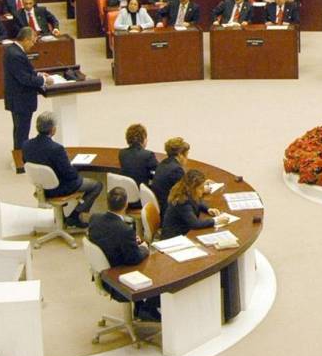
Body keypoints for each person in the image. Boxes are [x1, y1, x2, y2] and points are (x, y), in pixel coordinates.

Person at [88, 187, 160, 321]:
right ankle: (147, 309)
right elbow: (134, 259)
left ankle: (140, 308)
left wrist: (131, 242)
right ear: (126, 204)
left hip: (103, 272)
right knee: (154, 266)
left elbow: (108, 238)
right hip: (118, 279)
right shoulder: (124, 230)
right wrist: (144, 247)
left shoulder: (95, 218)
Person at [22, 112, 103, 228]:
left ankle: (66, 218)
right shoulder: (56, 149)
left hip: (41, 188)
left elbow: (26, 162)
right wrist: (75, 169)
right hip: (60, 188)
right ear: (53, 129)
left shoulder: (26, 145)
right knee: (96, 185)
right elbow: (69, 175)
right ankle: (75, 216)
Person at [4, 28, 47, 152]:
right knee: (21, 132)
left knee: (20, 130)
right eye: (32, 42)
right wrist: (43, 80)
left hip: (18, 98)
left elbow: (25, 71)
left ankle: (20, 156)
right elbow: (24, 78)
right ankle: (20, 162)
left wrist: (38, 74)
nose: (33, 45)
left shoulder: (14, 50)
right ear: (26, 39)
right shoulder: (15, 54)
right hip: (20, 99)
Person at [159, 169, 228, 239]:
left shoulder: (185, 191)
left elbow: (198, 201)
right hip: (174, 238)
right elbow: (195, 224)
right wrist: (216, 220)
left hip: (184, 231)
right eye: (200, 188)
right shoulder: (182, 201)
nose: (203, 190)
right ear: (192, 188)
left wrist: (208, 209)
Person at [151, 137, 189, 217]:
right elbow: (186, 192)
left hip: (160, 204)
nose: (187, 158)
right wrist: (202, 189)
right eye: (186, 155)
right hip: (168, 211)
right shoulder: (176, 170)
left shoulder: (163, 163)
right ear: (180, 155)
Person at [118, 123, 157, 193]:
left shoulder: (122, 153)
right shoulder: (148, 155)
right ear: (143, 139)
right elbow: (158, 171)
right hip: (141, 192)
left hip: (126, 192)